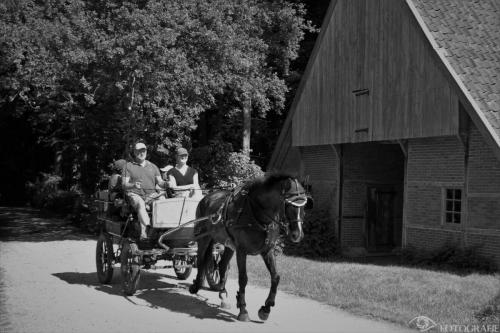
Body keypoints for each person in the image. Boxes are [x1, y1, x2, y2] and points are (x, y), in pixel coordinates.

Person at [122, 142, 168, 239]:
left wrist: (166, 183)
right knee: (140, 203)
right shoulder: (128, 166)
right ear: (134, 152)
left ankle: (162, 229)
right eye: (139, 151)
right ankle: (147, 229)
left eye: (143, 150)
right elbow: (124, 184)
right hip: (134, 194)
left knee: (163, 201)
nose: (142, 153)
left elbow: (160, 182)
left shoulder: (153, 166)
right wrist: (133, 185)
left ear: (146, 151)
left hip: (151, 195)